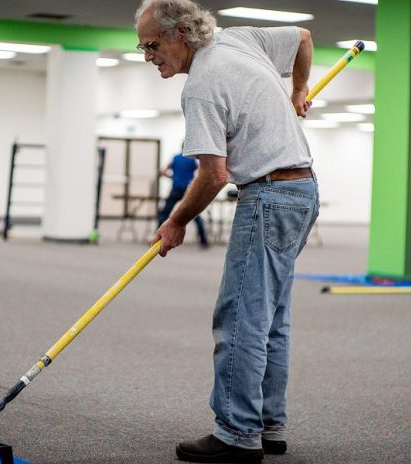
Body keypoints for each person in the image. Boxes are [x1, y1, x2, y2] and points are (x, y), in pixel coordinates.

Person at [135, 0, 319, 462]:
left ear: (180, 34)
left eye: (152, 45)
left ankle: (237, 433)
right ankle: (268, 424)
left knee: (240, 318)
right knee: (269, 318)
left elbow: (213, 175)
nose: (147, 55)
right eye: (140, 47)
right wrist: (300, 89)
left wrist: (176, 222)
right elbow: (302, 37)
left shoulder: (201, 86)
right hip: (303, 193)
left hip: (270, 198)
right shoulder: (238, 39)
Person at [158, 152, 209, 248]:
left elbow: (164, 171)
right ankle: (203, 241)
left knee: (164, 213)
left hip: (176, 189)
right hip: (188, 190)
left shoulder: (176, 158)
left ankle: (158, 238)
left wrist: (173, 177)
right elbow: (202, 172)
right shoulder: (192, 160)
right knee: (195, 216)